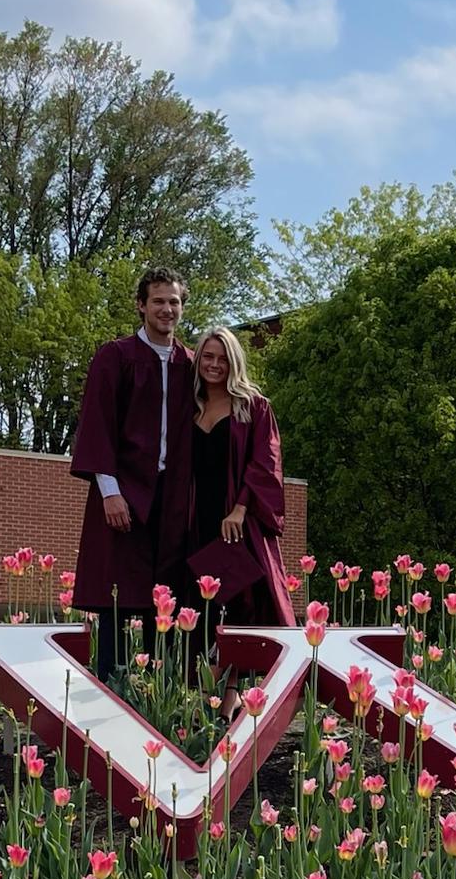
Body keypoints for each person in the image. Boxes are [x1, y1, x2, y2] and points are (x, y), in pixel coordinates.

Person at [69, 267, 196, 689]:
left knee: (168, 600)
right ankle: (110, 688)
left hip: (173, 497)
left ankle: (165, 696)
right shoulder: (116, 357)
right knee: (117, 598)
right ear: (141, 305)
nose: (167, 309)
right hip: (124, 493)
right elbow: (98, 425)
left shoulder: (190, 364)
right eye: (158, 300)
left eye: (174, 301)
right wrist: (110, 491)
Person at [182, 324, 295, 633]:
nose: (214, 365)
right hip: (195, 518)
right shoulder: (188, 407)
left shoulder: (254, 407)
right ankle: (202, 675)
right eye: (208, 357)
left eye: (223, 359)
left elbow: (265, 462)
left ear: (234, 363)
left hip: (235, 519)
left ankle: (233, 677)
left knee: (238, 600)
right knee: (198, 603)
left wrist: (240, 508)